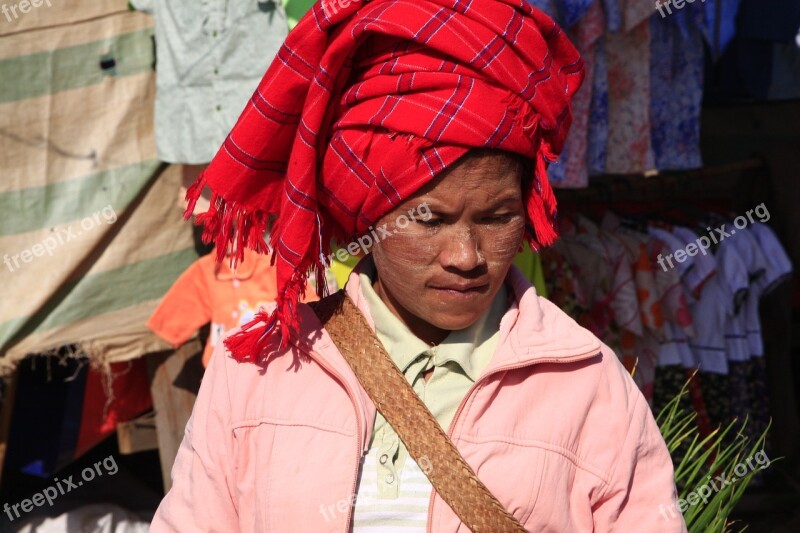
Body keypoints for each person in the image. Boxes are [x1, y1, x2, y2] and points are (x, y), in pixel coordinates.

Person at [151, 0, 685, 531]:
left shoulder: (584, 383)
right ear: (369, 216)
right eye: (430, 221)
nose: (467, 257)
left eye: (498, 218)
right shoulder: (257, 374)